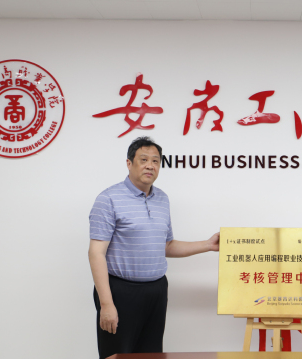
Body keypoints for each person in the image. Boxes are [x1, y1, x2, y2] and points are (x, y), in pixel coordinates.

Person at [88, 136, 219, 359]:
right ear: (129, 163)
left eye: (156, 161)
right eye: (144, 159)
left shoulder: (162, 199)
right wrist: (106, 304)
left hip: (156, 291)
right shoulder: (108, 199)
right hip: (121, 292)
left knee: (151, 355)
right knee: (116, 355)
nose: (150, 165)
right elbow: (96, 253)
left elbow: (166, 245)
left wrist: (208, 245)